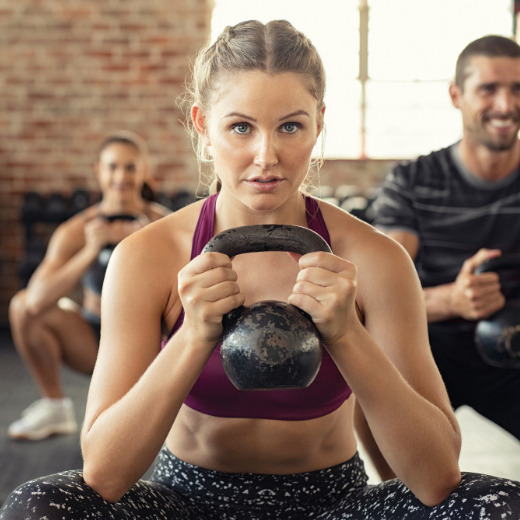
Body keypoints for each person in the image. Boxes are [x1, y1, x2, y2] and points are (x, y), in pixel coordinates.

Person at [2, 21, 520, 520]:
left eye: (290, 126)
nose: (265, 156)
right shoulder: (148, 256)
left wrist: (346, 334)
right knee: (39, 506)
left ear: (319, 123)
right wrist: (192, 337)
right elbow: (106, 474)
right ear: (204, 127)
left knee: (500, 506)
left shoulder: (375, 259)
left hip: (331, 503)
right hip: (185, 503)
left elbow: (435, 479)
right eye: (241, 127)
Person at [358, 34, 520, 481]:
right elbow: (374, 297)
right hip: (429, 351)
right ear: (457, 95)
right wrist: (453, 299)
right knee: (367, 372)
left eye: (518, 89)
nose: (505, 105)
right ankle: (403, 498)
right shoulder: (412, 181)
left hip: (513, 351)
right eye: (489, 89)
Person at [7, 131, 171, 441]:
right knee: (20, 305)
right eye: (112, 167)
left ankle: (180, 410)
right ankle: (55, 407)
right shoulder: (77, 230)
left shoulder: (163, 226)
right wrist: (89, 251)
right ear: (98, 171)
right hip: (93, 339)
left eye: (130, 167)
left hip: (151, 342)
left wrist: (146, 245)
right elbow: (36, 300)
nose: (120, 176)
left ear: (144, 170)